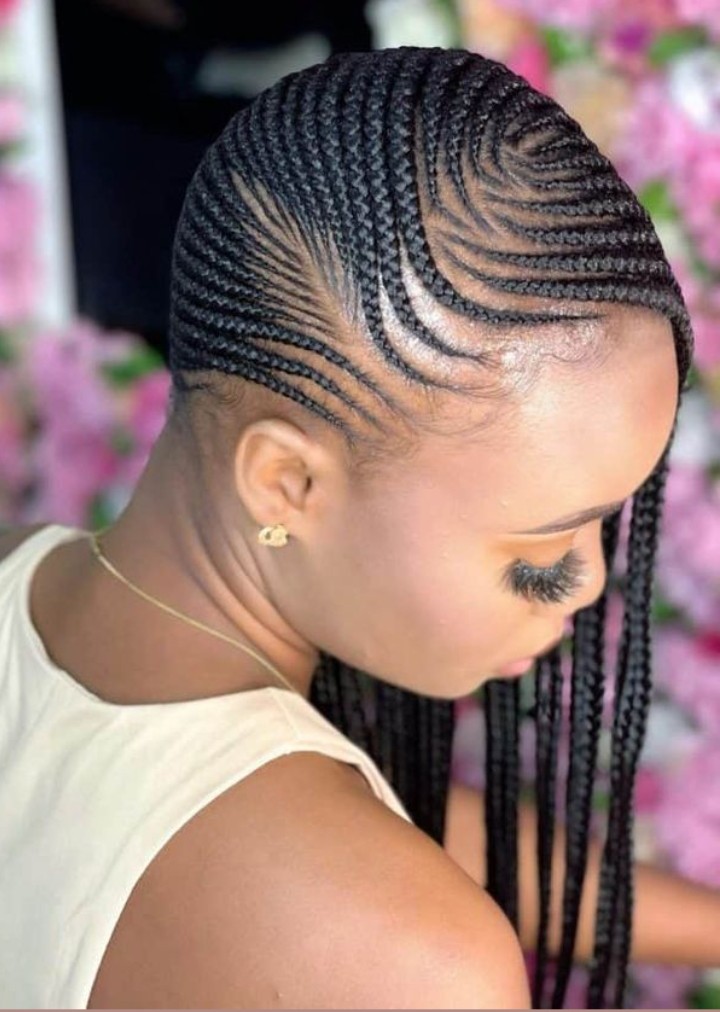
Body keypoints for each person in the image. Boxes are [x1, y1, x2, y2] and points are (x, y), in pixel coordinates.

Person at [0, 45, 714, 1009]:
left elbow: (343, 820)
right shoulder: (422, 966)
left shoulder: (26, 580)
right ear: (285, 483)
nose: (588, 584)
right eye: (541, 556)